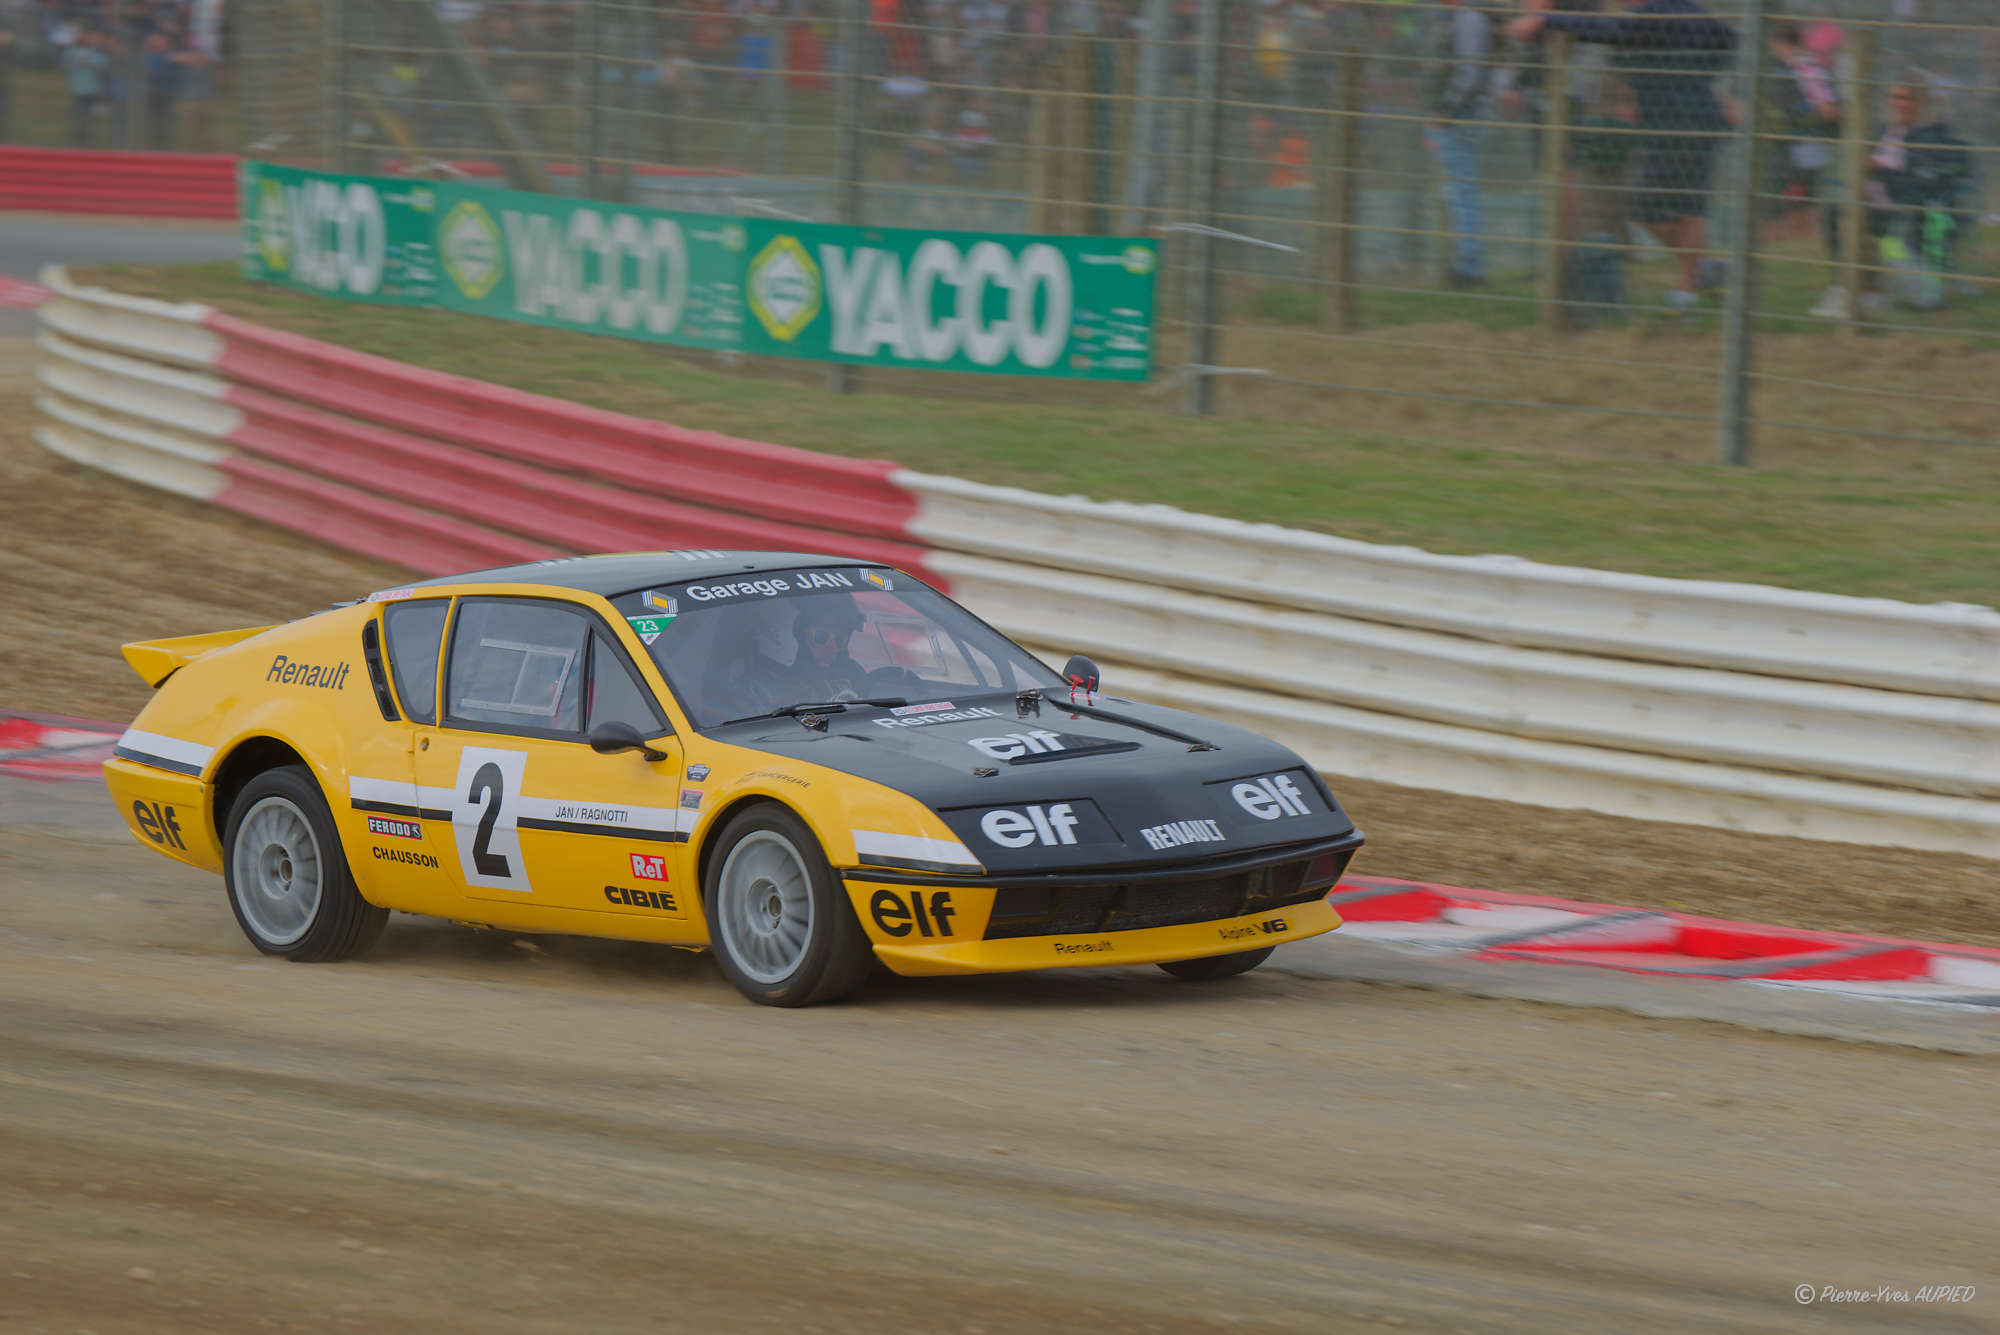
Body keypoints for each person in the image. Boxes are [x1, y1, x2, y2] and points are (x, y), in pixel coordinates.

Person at [1510, 0, 1736, 312]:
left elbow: (1606, 29)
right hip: (1673, 120)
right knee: (1668, 208)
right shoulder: (1683, 9)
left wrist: (1546, 20)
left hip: (1685, 121)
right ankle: (1699, 271)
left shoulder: (1655, 13)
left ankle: (1689, 287)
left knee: (1671, 208)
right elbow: (1729, 41)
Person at [1814, 81, 1974, 317]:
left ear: (1921, 104)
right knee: (1835, 213)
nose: (1899, 104)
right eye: (1894, 97)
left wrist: (1879, 169)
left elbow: (1921, 185)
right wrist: (1832, 121)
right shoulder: (1883, 131)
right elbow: (1848, 140)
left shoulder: (1929, 137)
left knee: (1848, 216)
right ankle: (1846, 288)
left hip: (1906, 212)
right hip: (1876, 206)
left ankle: (1865, 291)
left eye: (1906, 98)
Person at [1427, 0, 1505, 289]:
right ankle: (1466, 263)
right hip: (1461, 114)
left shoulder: (1469, 17)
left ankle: (1469, 268)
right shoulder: (1463, 16)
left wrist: (1445, 108)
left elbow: (1470, 73)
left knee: (1462, 192)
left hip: (1462, 116)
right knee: (1458, 191)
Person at [786, 599, 872, 702]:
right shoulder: (778, 680)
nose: (832, 649)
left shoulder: (855, 675)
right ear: (801, 636)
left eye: (840, 641)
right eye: (821, 637)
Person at [62, 27, 110, 148]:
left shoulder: (98, 54)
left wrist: (89, 62)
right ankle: (76, 140)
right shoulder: (73, 52)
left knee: (90, 117)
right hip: (78, 89)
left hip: (93, 90)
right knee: (78, 115)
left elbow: (103, 65)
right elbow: (66, 63)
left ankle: (89, 141)